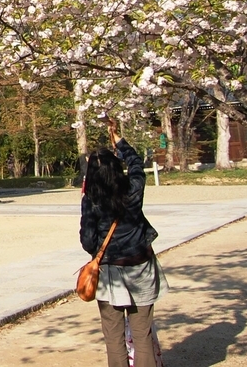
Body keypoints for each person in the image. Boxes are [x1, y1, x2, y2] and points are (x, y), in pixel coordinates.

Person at [81, 121, 169, 367]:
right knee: (142, 334)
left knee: (113, 336)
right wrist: (119, 140)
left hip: (110, 271)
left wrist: (98, 248)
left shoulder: (91, 200)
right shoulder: (133, 189)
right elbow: (137, 164)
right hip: (140, 266)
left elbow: (88, 241)